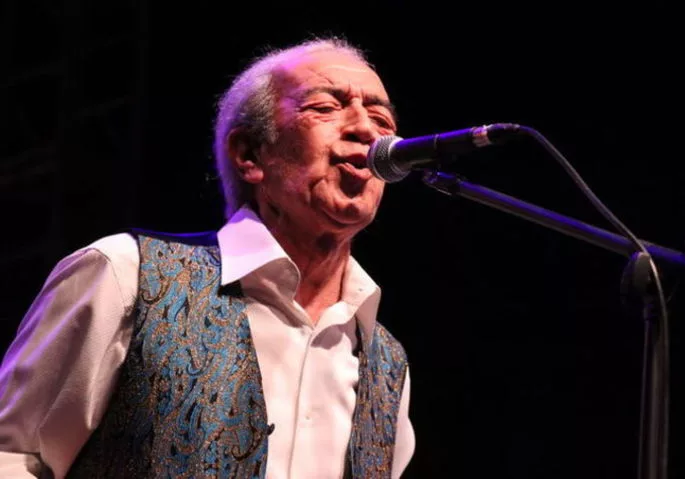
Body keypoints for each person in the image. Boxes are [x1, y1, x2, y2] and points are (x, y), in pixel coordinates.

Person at [0, 36, 414, 478]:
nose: (366, 129)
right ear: (249, 155)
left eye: (381, 118)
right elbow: (13, 456)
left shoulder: (387, 365)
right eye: (325, 107)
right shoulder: (126, 275)